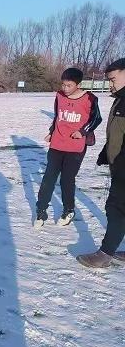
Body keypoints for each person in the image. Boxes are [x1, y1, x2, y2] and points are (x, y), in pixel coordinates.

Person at [35, 67, 102, 228]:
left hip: (75, 148)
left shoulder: (90, 98)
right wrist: (51, 132)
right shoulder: (59, 96)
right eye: (63, 85)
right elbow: (58, 116)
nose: (65, 88)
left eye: (69, 85)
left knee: (67, 179)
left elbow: (97, 119)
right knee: (48, 178)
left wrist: (82, 131)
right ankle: (41, 210)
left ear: (78, 84)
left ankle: (68, 210)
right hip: (57, 144)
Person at [78, 59, 125, 268]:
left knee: (116, 208)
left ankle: (105, 254)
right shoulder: (120, 99)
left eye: (113, 79)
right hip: (119, 164)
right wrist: (107, 153)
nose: (110, 84)